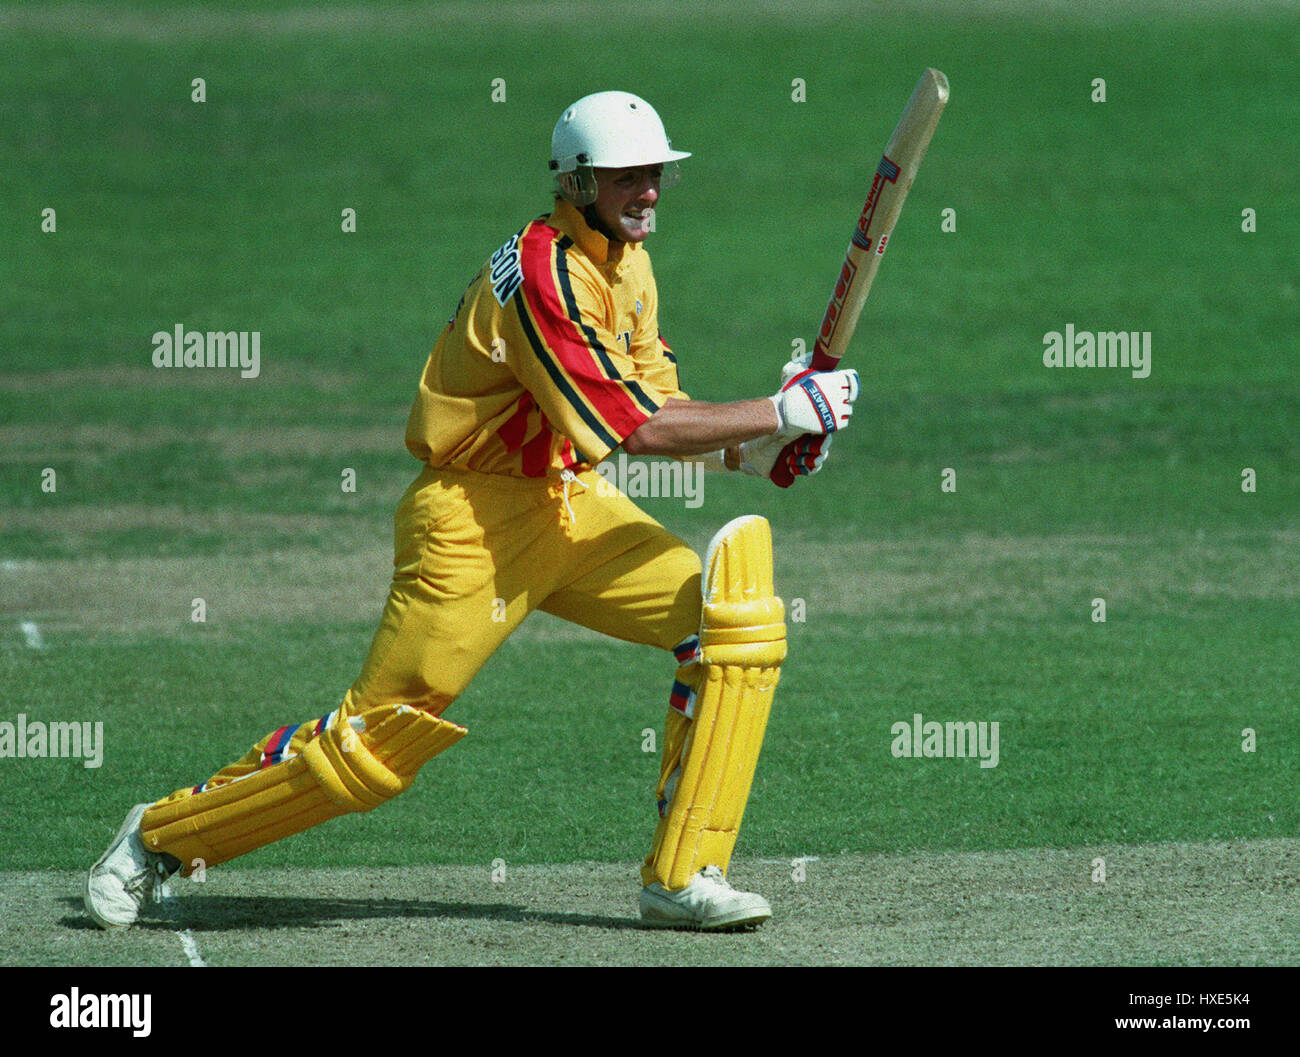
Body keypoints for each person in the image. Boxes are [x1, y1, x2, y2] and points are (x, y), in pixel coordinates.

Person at [85, 90, 859, 933]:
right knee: (372, 746)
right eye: (630, 177)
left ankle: (681, 876)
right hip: (471, 521)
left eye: (657, 174)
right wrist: (779, 411)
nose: (650, 192)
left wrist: (756, 450)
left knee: (730, 625)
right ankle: (160, 837)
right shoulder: (544, 274)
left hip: (569, 502)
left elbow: (655, 402)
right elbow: (636, 429)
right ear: (578, 180)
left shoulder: (626, 264)